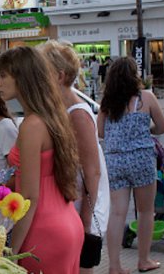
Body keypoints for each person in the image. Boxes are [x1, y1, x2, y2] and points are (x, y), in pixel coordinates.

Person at [0, 46, 83, 273]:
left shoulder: (32, 125)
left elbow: (30, 197)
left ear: (22, 77)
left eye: (3, 75)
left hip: (42, 230)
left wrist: (12, 252)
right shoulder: (52, 115)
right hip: (65, 221)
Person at [39, 40, 110, 273]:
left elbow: (93, 171)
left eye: (43, 73)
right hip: (71, 203)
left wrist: (85, 221)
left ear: (59, 76)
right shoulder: (60, 109)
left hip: (82, 208)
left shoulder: (77, 113)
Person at [97, 56, 164, 274]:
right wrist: (146, 131)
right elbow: (163, 127)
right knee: (146, 211)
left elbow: (100, 133)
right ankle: (144, 260)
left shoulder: (107, 104)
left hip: (115, 160)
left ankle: (115, 266)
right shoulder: (146, 97)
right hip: (141, 159)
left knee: (117, 213)